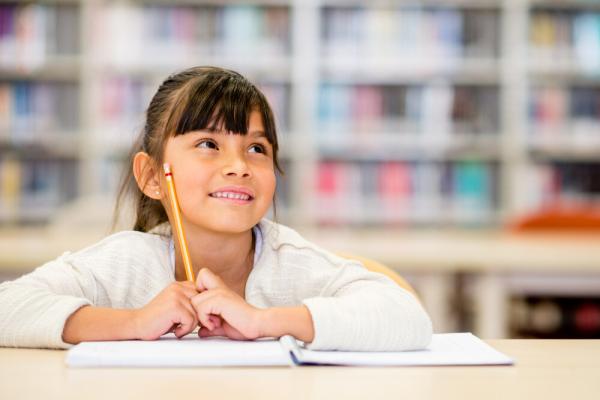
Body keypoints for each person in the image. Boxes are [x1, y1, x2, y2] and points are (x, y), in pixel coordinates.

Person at [0, 66, 432, 351]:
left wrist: (262, 320)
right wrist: (132, 321)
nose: (238, 166)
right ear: (153, 177)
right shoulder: (124, 263)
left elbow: (408, 318)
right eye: (208, 144)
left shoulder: (294, 265)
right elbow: (8, 307)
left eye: (257, 148)